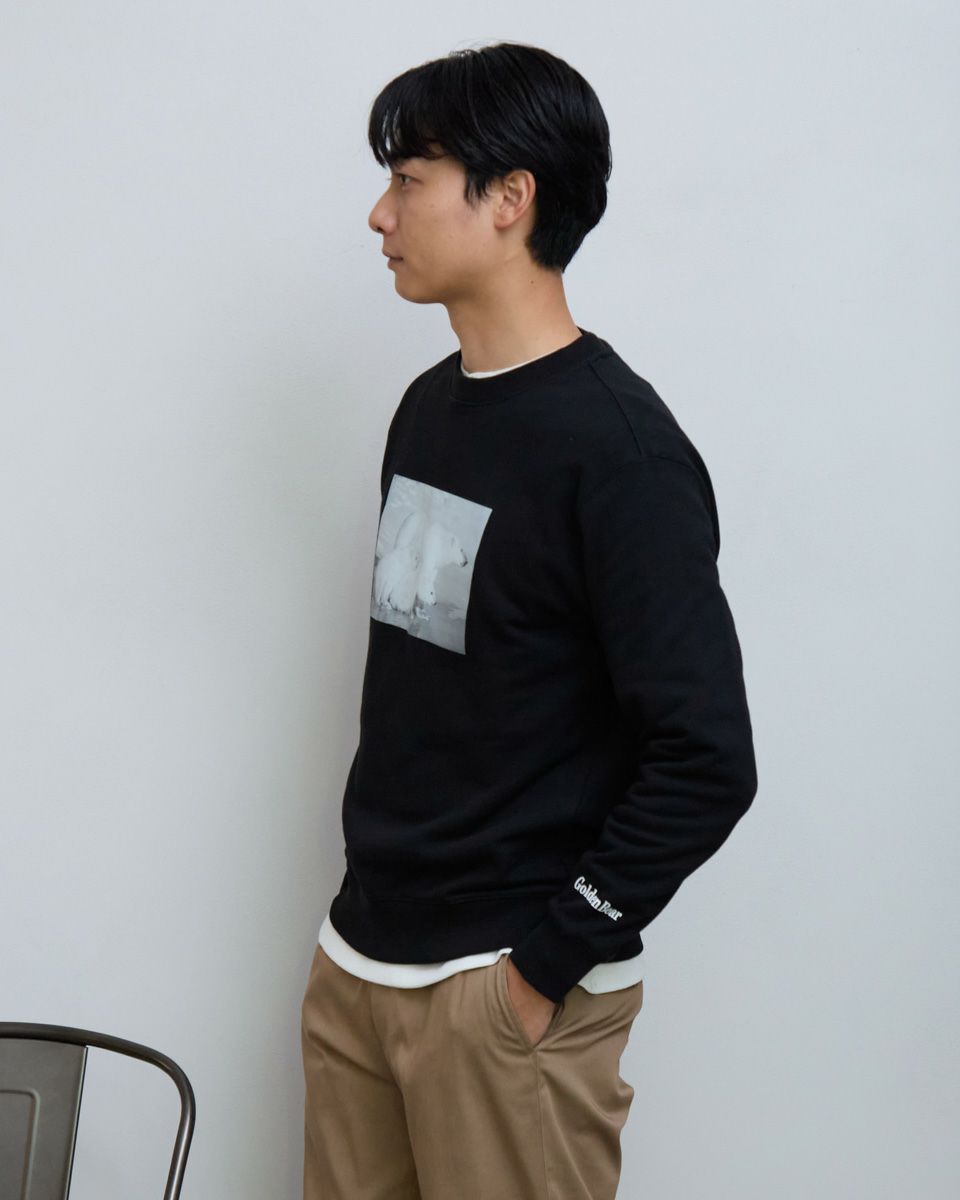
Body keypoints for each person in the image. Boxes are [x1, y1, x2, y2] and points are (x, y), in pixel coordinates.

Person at [300, 40, 758, 1200]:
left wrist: (541, 968)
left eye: (409, 180)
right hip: (361, 962)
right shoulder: (428, 410)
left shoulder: (622, 455)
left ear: (510, 198)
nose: (380, 214)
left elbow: (706, 756)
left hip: (502, 993)